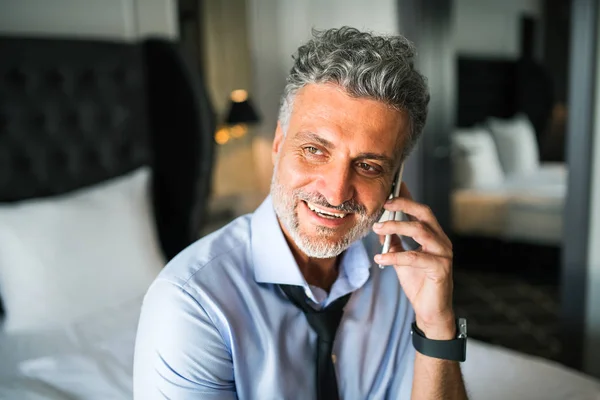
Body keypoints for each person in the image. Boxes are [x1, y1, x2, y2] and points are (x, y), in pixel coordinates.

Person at [133, 26, 469, 399]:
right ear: (278, 144)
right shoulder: (191, 303)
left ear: (395, 180)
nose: (336, 190)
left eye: (369, 166)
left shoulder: (402, 274)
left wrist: (436, 324)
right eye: (314, 149)